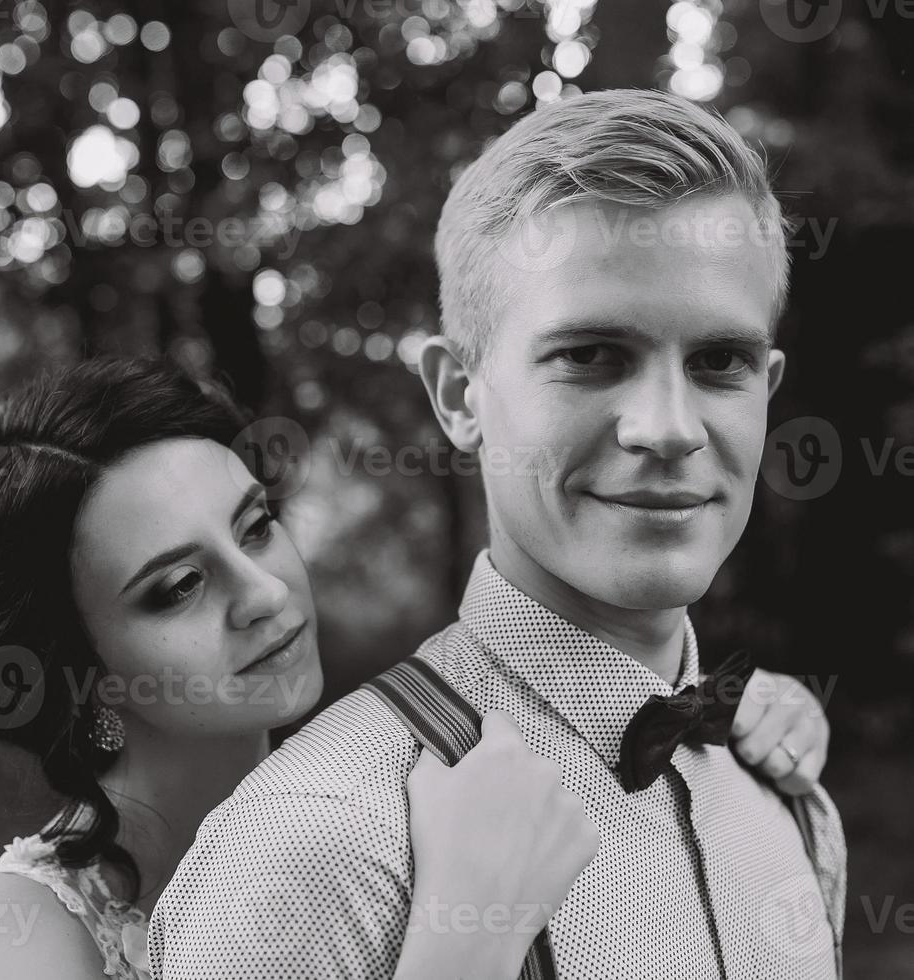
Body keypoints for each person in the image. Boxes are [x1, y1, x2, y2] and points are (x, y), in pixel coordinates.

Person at [148, 90, 846, 980]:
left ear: (767, 387)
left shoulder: (786, 802)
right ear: (456, 395)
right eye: (590, 355)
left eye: (719, 362)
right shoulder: (318, 838)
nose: (667, 428)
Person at [0, 356, 827, 980]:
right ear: (80, 669)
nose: (264, 593)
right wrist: (471, 922)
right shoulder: (13, 933)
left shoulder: (384, 779)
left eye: (254, 527)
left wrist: (733, 711)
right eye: (176, 588)